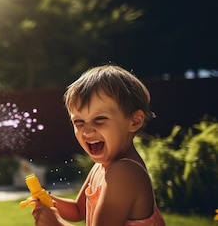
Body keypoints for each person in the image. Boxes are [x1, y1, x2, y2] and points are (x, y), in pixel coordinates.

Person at [30, 65, 166, 226]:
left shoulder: (124, 172)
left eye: (100, 119)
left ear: (134, 121)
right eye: (78, 122)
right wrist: (47, 201)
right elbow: (78, 211)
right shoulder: (101, 167)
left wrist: (56, 224)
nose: (86, 130)